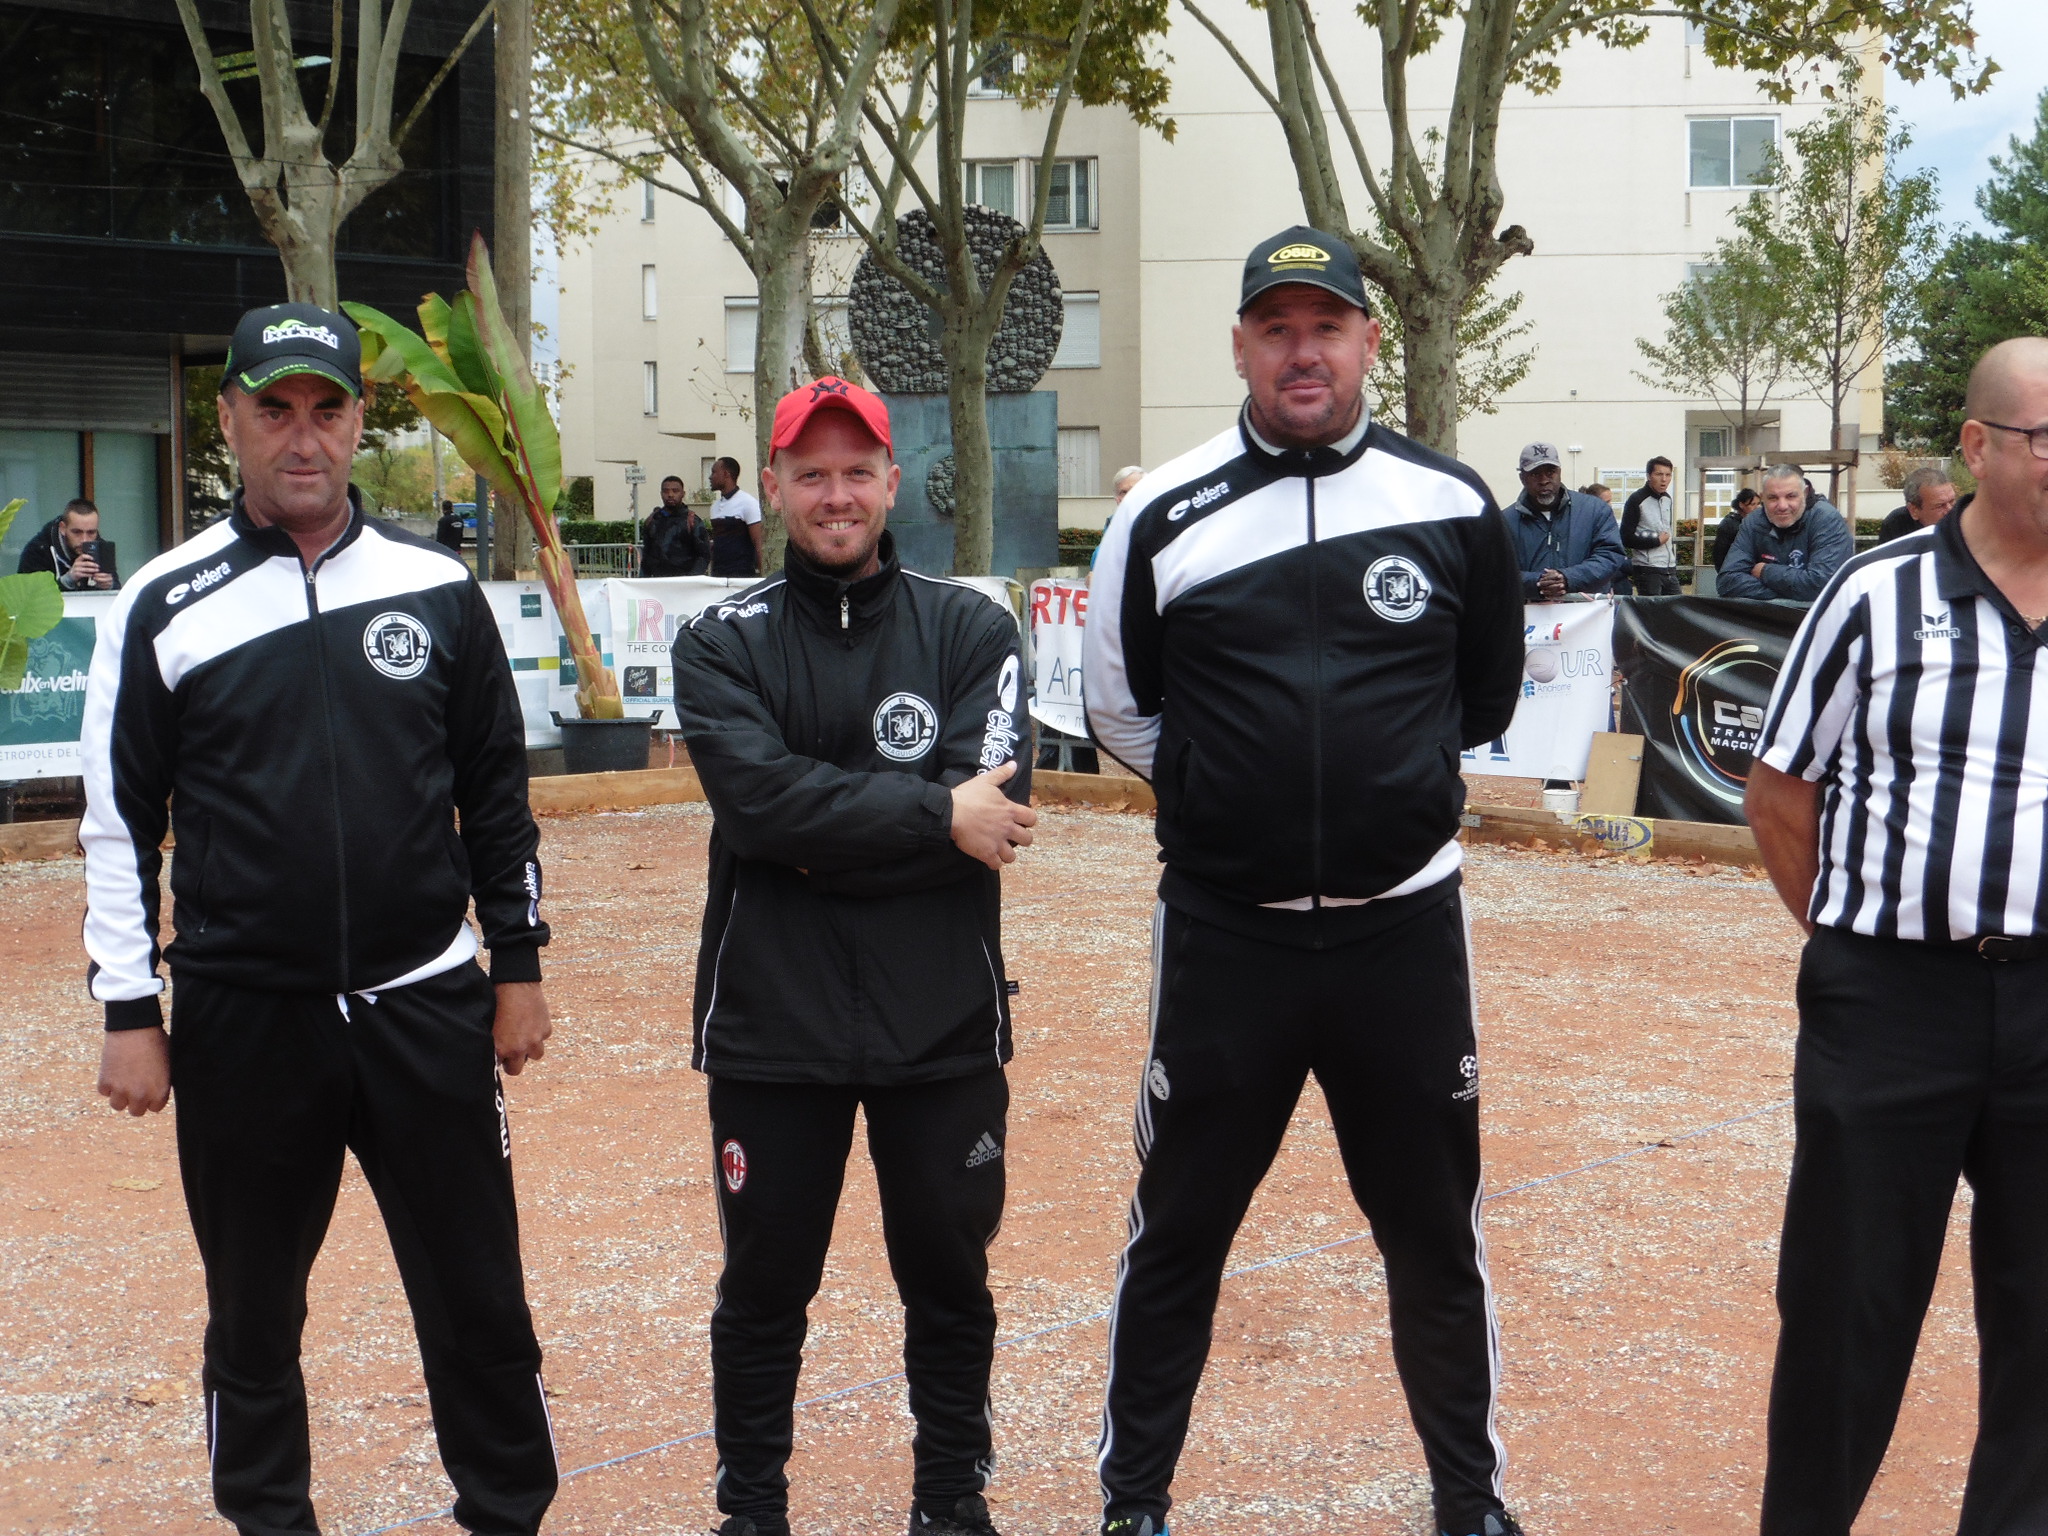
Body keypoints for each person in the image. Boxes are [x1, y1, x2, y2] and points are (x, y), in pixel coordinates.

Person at [82, 302, 560, 1536]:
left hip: (425, 1004)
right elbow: (120, 823)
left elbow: (495, 797)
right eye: (275, 409)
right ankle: (268, 1520)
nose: (303, 437)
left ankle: (506, 1511)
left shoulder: (436, 587)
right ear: (229, 420)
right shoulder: (163, 603)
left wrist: (516, 965)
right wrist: (129, 1009)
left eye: (327, 409)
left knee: (479, 1300)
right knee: (252, 1313)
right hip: (247, 1018)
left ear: (359, 422)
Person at [1084, 227, 1527, 1536]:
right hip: (1228, 940)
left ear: (1367, 341)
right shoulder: (1161, 513)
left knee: (1434, 1236)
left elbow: (1482, 701)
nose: (1302, 352)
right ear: (1239, 347)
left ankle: (1469, 1502)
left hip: (1403, 937)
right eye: (1275, 328)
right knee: (1179, 1232)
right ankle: (1132, 1505)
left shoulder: (1452, 505)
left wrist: (1385, 792)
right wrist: (1228, 796)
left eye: (1324, 326)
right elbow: (1119, 712)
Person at [669, 375, 1036, 1536]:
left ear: (891, 483)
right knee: (764, 1286)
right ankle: (751, 1511)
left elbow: (997, 811)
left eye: (856, 472)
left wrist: (821, 831)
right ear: (775, 487)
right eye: (811, 473)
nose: (836, 495)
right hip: (772, 1023)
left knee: (948, 1278)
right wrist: (931, 817)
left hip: (940, 1020)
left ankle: (949, 1503)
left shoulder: (971, 630)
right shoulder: (718, 640)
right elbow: (757, 808)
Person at [1746, 336, 2048, 1535]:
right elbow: (1779, 791)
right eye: (2046, 438)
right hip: (1889, 1007)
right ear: (1975, 447)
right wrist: (1854, 938)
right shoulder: (1872, 597)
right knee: (1845, 1312)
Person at [1505, 442, 1627, 598]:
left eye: (1550, 472)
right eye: (1535, 474)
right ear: (1522, 477)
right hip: (1530, 610)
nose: (1544, 480)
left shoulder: (1595, 510)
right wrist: (1537, 582)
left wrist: (1569, 578)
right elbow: (1497, 570)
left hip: (1588, 609)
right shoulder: (1505, 521)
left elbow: (1610, 555)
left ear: (1560, 473)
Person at [1716, 464, 1854, 601]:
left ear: (1805, 493)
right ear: (1763, 498)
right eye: (1773, 498)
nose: (1782, 506)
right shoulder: (1753, 522)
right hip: (1767, 615)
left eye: (1791, 496)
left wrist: (1765, 571)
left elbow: (1822, 586)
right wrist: (1789, 591)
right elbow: (1727, 582)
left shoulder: (1827, 519)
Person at [19, 496, 118, 589]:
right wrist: (67, 580)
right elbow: (27, 596)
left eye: (91, 532)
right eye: (77, 532)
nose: (84, 540)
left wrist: (110, 586)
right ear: (63, 528)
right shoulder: (38, 551)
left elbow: (118, 592)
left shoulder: (101, 549)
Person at [1619, 456, 1682, 596]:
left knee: (1678, 606)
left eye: (1668, 475)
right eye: (1659, 474)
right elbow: (1626, 538)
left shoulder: (1667, 499)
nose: (1664, 479)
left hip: (1669, 568)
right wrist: (1655, 541)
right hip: (1646, 569)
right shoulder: (1636, 500)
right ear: (1649, 476)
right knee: (1652, 609)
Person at [642, 473, 713, 575]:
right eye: (666, 491)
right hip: (658, 581)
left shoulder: (692, 521)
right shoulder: (652, 521)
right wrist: (643, 580)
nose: (670, 495)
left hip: (685, 581)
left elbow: (704, 555)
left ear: (683, 494)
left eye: (675, 491)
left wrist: (692, 579)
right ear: (661, 493)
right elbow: (646, 555)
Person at [708, 455, 765, 577]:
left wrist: (764, 576)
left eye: (714, 472)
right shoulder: (714, 507)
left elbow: (758, 541)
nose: (710, 477)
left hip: (742, 575)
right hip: (718, 575)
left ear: (726, 474)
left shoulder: (748, 503)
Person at [1877, 464, 1959, 542]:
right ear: (1914, 511)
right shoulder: (1896, 524)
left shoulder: (1963, 520)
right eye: (1940, 506)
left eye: (1952, 501)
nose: (1950, 510)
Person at [1711, 487, 1760, 572]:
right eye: (1752, 504)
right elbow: (1719, 552)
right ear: (1741, 505)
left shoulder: (1758, 522)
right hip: (1734, 570)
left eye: (1758, 504)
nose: (1757, 507)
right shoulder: (1729, 524)